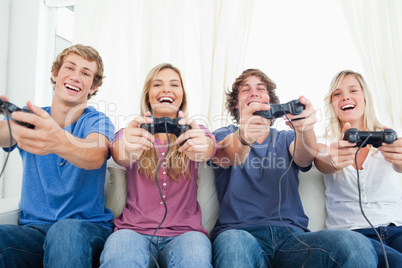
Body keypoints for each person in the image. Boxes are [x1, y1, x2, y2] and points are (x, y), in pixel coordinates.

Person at [209, 68, 378, 267]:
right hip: (240, 235)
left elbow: (305, 157)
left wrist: (305, 130)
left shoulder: (286, 138)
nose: (254, 92)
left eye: (260, 89)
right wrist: (243, 136)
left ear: (270, 103)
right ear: (237, 104)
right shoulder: (223, 134)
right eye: (246, 90)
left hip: (292, 239)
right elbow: (229, 154)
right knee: (233, 244)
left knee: (356, 244)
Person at [0, 44, 115, 268]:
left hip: (85, 230)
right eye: (69, 68)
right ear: (55, 73)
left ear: (94, 86)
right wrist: (13, 125)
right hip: (33, 233)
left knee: (65, 230)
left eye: (85, 73)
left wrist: (57, 140)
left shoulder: (97, 121)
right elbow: (5, 135)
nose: (75, 76)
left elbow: (95, 154)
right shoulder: (33, 118)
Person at [99, 63, 216, 267]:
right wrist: (127, 147)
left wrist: (200, 147)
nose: (166, 89)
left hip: (186, 234)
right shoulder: (131, 131)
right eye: (158, 84)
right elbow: (120, 153)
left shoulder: (196, 131)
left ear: (182, 96)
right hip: (132, 232)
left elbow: (207, 147)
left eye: (174, 84)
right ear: (148, 95)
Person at [314, 70, 402, 267]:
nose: (345, 96)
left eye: (353, 90)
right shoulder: (325, 142)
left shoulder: (392, 137)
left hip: (396, 229)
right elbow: (322, 161)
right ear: (332, 104)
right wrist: (333, 160)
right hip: (353, 233)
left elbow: (400, 164)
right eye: (337, 94)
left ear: (365, 97)